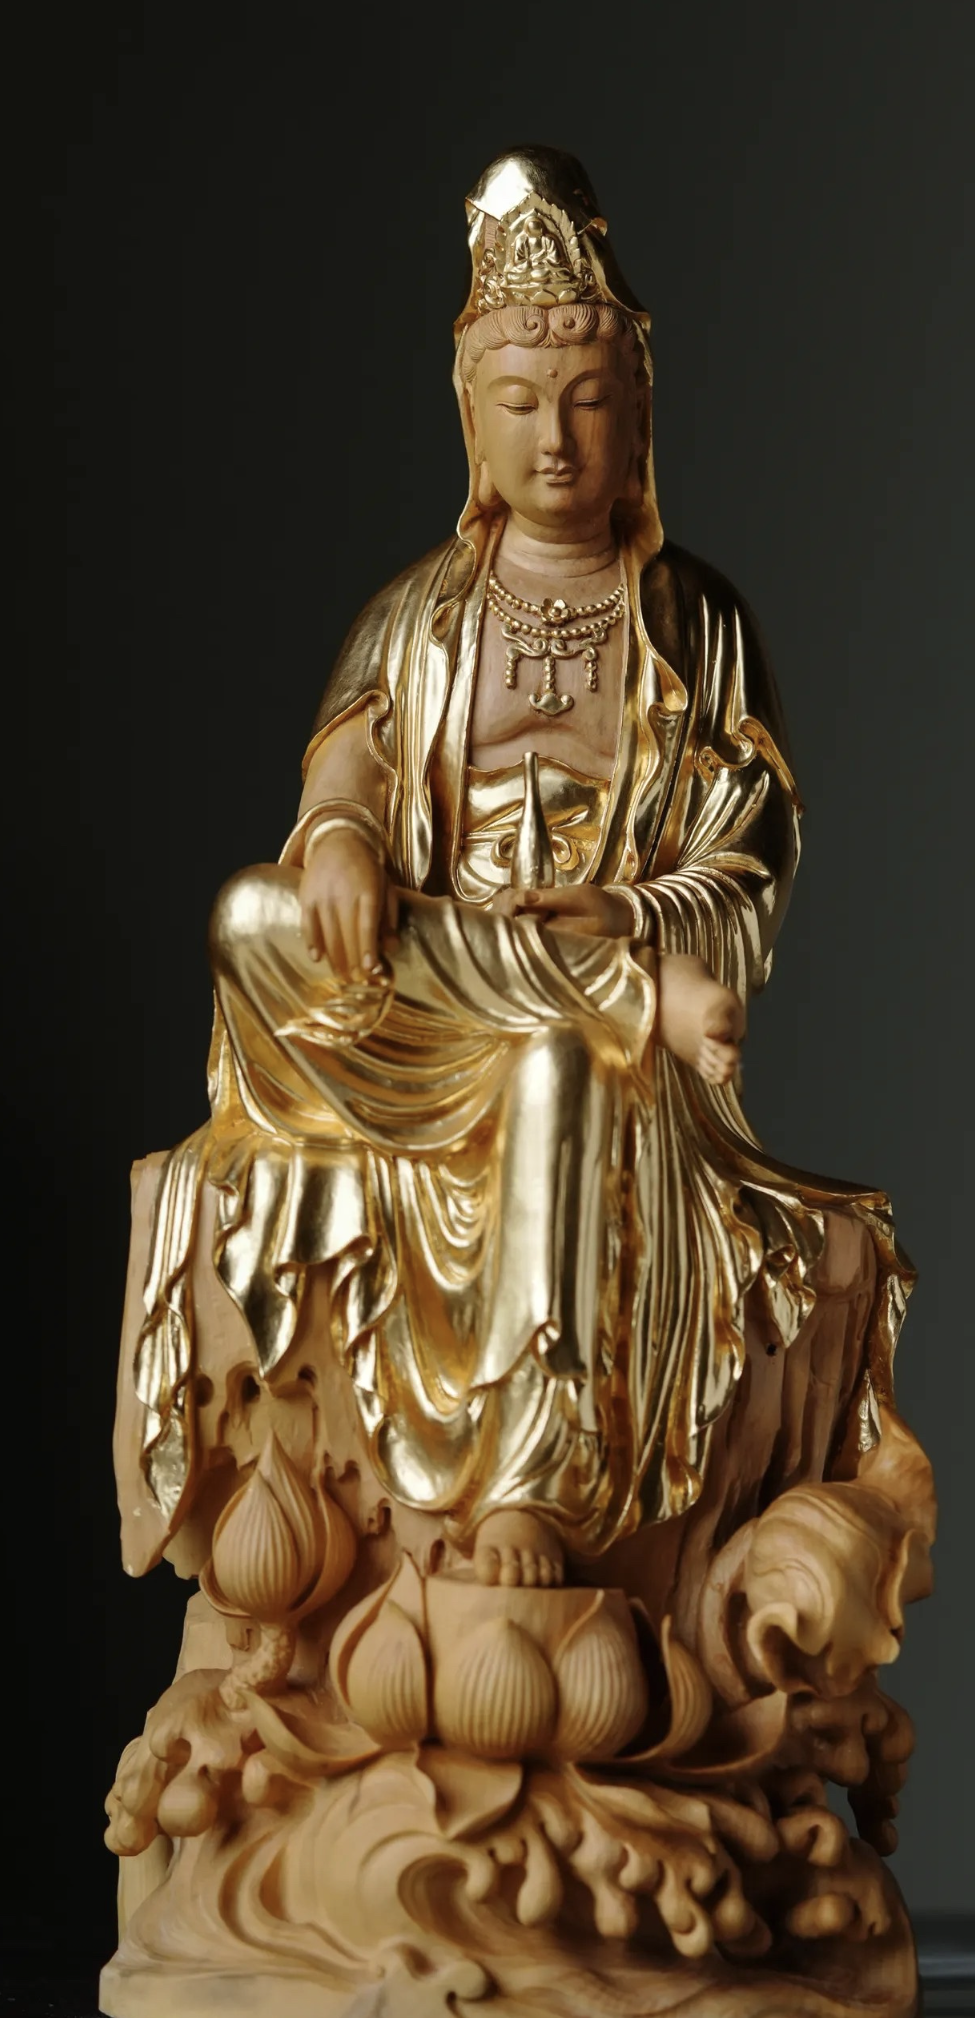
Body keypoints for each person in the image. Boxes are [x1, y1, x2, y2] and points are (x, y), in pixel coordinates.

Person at [127, 145, 910, 1591]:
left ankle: (531, 1485)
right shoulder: (421, 615)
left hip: (596, 1010)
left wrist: (627, 912)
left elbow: (754, 848)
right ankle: (612, 993)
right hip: (428, 1004)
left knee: (556, 1064)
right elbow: (349, 764)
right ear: (471, 419)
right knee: (249, 919)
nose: (556, 439)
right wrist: (344, 838)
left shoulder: (695, 622)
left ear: (639, 416)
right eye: (522, 402)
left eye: (589, 401)